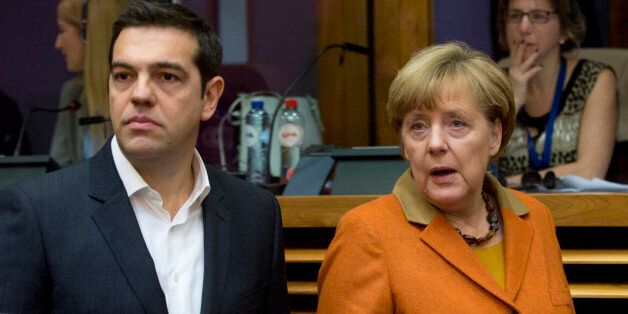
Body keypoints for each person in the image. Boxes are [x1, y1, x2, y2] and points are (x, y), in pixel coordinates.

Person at [0, 1, 289, 313]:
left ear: (209, 97)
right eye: (124, 76)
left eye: (166, 76)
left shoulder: (256, 215)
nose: (139, 94)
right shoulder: (38, 214)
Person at [317, 42, 574, 312]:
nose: (435, 143)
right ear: (404, 145)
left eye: (456, 123)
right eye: (418, 126)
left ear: (494, 137)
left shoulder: (536, 218)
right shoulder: (367, 233)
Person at [495, 0, 617, 186]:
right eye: (515, 16)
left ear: (564, 30)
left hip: (577, 210)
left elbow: (589, 171)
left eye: (538, 16)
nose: (524, 27)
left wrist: (503, 184)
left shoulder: (594, 78)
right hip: (507, 211)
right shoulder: (491, 83)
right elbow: (479, 165)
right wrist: (513, 101)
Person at [51, 0, 127, 167]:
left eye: (62, 31)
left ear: (87, 33)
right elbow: (58, 167)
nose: (58, 44)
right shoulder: (73, 94)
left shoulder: (139, 93)